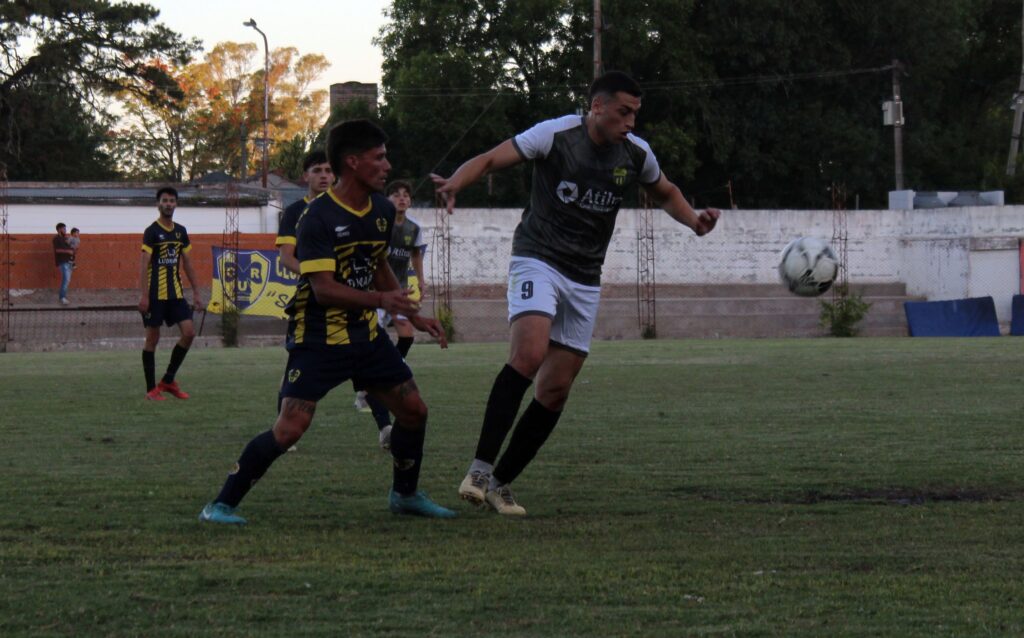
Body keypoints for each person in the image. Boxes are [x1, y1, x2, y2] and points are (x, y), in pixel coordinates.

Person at [431, 71, 721, 516]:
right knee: (529, 354)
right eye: (624, 112)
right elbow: (490, 160)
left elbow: (665, 192)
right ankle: (480, 469)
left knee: (555, 390)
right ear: (597, 106)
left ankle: (500, 484)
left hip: (585, 276)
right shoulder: (555, 135)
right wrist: (456, 181)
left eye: (636, 114)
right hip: (538, 258)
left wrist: (695, 221)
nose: (631, 122)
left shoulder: (636, 153)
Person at [199, 119, 456, 525]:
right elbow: (323, 289)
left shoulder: (382, 210)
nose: (387, 166)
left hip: (365, 335)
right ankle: (219, 505)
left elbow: (377, 266)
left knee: (414, 411)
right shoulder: (316, 217)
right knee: (289, 429)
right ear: (352, 162)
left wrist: (412, 314)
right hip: (318, 337)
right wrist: (381, 300)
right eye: (379, 158)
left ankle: (405, 495)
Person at [354, 179, 429, 450]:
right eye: (396, 195)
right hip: (376, 294)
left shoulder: (413, 229)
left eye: (406, 195)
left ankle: (376, 380)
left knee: (407, 336)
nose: (402, 198)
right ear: (387, 200)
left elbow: (416, 256)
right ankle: (370, 394)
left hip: (398, 293)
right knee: (372, 346)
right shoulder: (379, 225)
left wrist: (421, 280)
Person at [138, 187, 203, 401]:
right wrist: (144, 295)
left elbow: (188, 263)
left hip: (175, 294)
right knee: (152, 339)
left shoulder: (181, 231)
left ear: (176, 204)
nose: (168, 204)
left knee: (189, 333)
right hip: (155, 295)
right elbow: (143, 264)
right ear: (158, 204)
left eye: (172, 200)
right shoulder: (151, 231)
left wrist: (196, 292)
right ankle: (151, 389)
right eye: (165, 200)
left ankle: (168, 380)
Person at [276, 149, 334, 275]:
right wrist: (317, 277)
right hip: (310, 284)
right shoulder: (293, 212)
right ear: (306, 176)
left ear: (334, 175)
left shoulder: (344, 208)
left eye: (328, 170)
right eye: (317, 170)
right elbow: (286, 258)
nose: (323, 175)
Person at [52, 223, 74, 304]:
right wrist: (68, 251)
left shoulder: (66, 239)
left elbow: (72, 248)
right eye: (64, 229)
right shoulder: (56, 239)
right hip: (62, 262)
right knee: (66, 279)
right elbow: (57, 250)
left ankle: (63, 297)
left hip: (69, 262)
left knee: (67, 280)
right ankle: (62, 297)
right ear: (59, 229)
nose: (65, 230)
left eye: (65, 229)